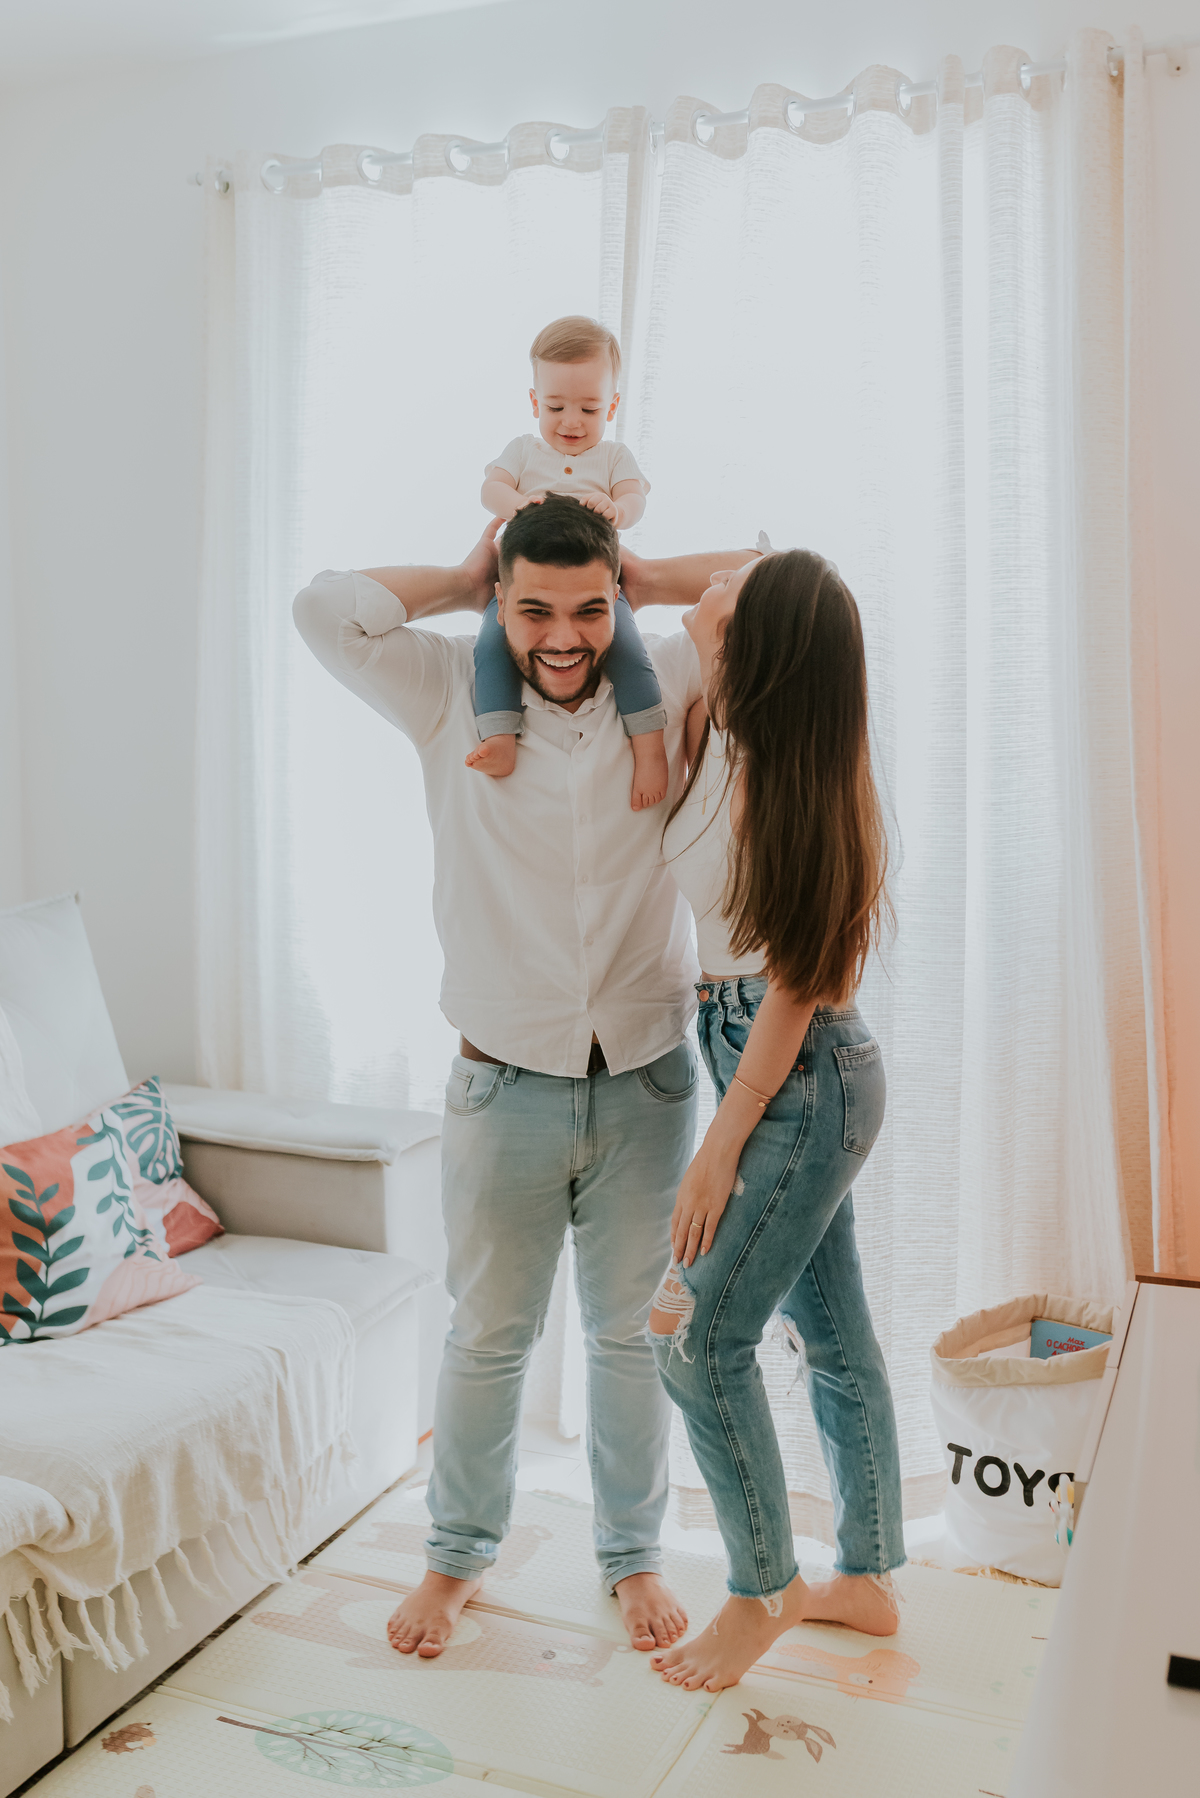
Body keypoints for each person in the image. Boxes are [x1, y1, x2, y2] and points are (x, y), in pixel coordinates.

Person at [292, 496, 758, 1661]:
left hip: (647, 1083)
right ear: (503, 603)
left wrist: (640, 576)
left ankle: (632, 1552)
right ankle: (456, 1559)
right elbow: (322, 610)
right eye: (535, 607)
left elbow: (771, 574)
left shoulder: (666, 694)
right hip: (501, 1083)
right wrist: (466, 577)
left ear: (619, 603)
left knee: (627, 1339)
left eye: (589, 609)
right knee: (489, 1333)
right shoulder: (451, 687)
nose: (563, 636)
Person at [648, 548, 904, 1693]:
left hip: (793, 1071)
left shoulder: (790, 782)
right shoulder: (735, 730)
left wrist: (720, 1146)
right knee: (833, 1334)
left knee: (697, 1340)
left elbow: (795, 980)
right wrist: (709, 639)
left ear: (768, 658)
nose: (714, 596)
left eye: (734, 603)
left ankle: (762, 1590)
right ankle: (869, 1572)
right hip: (764, 1053)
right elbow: (711, 586)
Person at [469, 316, 669, 811]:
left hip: (596, 585)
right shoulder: (522, 451)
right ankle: (499, 737)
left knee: (630, 654)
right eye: (556, 406)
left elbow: (635, 499)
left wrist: (619, 511)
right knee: (492, 647)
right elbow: (489, 489)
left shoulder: (613, 457)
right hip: (524, 581)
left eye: (589, 408)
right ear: (535, 402)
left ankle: (650, 751)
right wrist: (514, 503)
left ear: (613, 406)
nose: (572, 421)